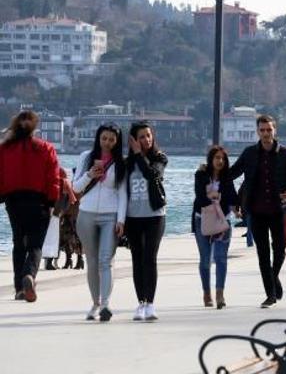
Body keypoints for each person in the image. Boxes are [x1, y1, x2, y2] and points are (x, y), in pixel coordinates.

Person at [229, 115, 286, 309]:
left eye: (269, 130)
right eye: (262, 130)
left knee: (280, 249)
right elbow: (232, 174)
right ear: (257, 132)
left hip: (278, 210)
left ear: (274, 130)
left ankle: (273, 276)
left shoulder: (285, 153)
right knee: (263, 253)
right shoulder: (249, 153)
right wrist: (212, 171)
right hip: (256, 211)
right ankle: (270, 294)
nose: (266, 133)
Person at [0, 111, 60, 302]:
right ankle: (29, 276)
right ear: (35, 127)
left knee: (19, 243)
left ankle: (19, 288)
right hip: (39, 201)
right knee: (35, 244)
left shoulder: (5, 149)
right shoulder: (46, 148)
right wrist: (52, 201)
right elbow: (53, 178)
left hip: (13, 200)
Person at [72, 124, 127, 321]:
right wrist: (90, 175)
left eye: (112, 139)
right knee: (92, 261)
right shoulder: (86, 157)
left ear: (117, 142)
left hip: (110, 216)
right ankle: (95, 303)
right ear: (98, 138)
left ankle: (105, 304)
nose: (108, 143)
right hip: (86, 214)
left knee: (106, 260)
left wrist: (121, 219)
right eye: (104, 138)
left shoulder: (121, 162)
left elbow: (122, 193)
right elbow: (75, 188)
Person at [125, 121, 168, 321]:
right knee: (137, 259)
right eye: (141, 136)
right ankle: (140, 302)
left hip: (155, 215)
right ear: (134, 140)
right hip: (132, 217)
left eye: (149, 135)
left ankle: (150, 303)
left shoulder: (159, 158)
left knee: (149, 258)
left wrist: (139, 155)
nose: (146, 140)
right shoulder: (127, 163)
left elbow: (152, 175)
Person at [192, 146, 238, 309]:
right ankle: (206, 292)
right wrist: (216, 198)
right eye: (217, 158)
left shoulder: (227, 178)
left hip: (222, 221)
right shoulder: (201, 174)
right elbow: (199, 196)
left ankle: (220, 293)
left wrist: (238, 210)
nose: (220, 161)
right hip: (201, 220)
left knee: (220, 258)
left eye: (223, 158)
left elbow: (232, 197)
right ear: (210, 159)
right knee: (205, 260)